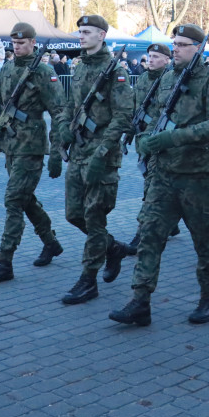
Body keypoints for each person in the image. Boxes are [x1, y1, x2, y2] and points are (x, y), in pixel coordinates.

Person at [110, 23, 209, 327]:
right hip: (163, 173)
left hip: (197, 175)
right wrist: (146, 137)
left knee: (205, 241)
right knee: (149, 235)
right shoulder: (166, 77)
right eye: (173, 43)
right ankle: (140, 301)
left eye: (181, 44)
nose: (174, 48)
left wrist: (173, 139)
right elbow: (154, 114)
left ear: (198, 48)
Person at [0, 23, 68, 285]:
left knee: (13, 200)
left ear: (32, 42)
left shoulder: (43, 71)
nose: (16, 47)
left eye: (22, 43)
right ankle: (51, 243)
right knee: (25, 199)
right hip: (10, 143)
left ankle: (4, 262)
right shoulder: (8, 66)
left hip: (32, 146)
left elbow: (59, 112)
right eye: (14, 43)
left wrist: (55, 151)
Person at [58, 15, 134, 305]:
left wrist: (102, 153)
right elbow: (70, 104)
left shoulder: (116, 71)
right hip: (78, 151)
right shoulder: (79, 67)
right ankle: (112, 248)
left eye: (87, 32)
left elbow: (124, 116)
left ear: (102, 35)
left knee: (94, 216)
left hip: (102, 157)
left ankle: (88, 280)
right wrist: (64, 125)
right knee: (73, 214)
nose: (81, 36)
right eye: (79, 31)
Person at [125, 43, 174, 252]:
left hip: (158, 141)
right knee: (151, 182)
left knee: (151, 190)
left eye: (156, 56)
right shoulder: (144, 78)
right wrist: (130, 129)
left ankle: (142, 232)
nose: (151, 60)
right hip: (141, 141)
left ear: (167, 60)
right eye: (149, 56)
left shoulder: (171, 80)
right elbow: (135, 105)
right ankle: (171, 225)